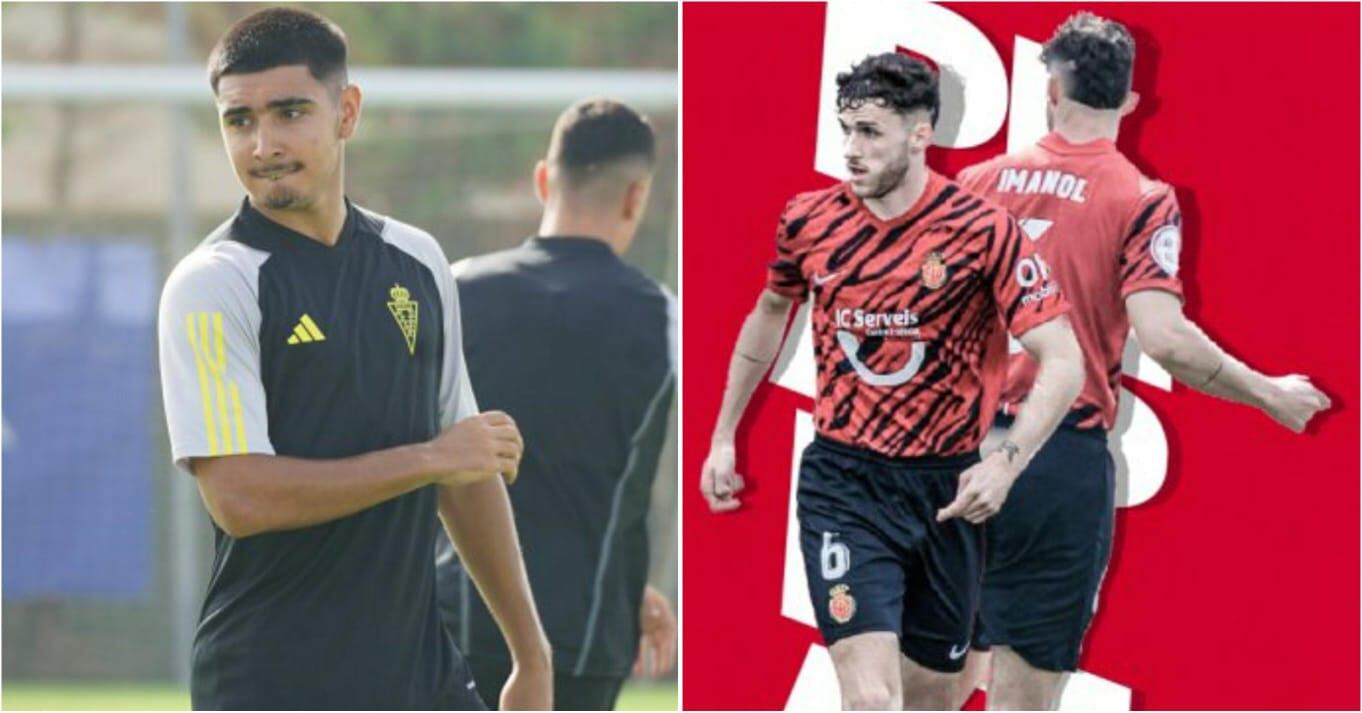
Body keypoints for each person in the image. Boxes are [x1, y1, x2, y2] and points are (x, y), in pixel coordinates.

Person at [156, 8, 552, 709]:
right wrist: (431, 458)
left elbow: (467, 472)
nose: (263, 143)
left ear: (347, 111)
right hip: (275, 681)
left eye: (289, 112)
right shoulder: (214, 283)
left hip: (422, 678)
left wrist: (530, 652)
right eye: (238, 120)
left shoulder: (418, 260)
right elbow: (240, 496)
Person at [951, 13, 1332, 710]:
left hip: (956, 451)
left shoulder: (976, 182)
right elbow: (1165, 339)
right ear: (1130, 102)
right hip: (1055, 461)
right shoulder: (1142, 199)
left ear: (1050, 93)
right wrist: (1269, 392)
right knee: (1022, 700)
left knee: (930, 688)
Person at [699, 52, 1086, 710]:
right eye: (845, 128)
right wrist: (723, 434)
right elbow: (770, 312)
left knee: (932, 697)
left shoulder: (983, 231)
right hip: (844, 484)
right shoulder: (808, 221)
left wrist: (1006, 463)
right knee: (871, 699)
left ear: (920, 133)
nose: (851, 149)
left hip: (949, 491)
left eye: (870, 132)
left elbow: (1065, 357)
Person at [435, 99, 677, 710]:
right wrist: (624, 585)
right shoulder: (665, 318)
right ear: (635, 198)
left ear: (544, 180)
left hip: (453, 622)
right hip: (587, 635)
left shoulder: (454, 289)